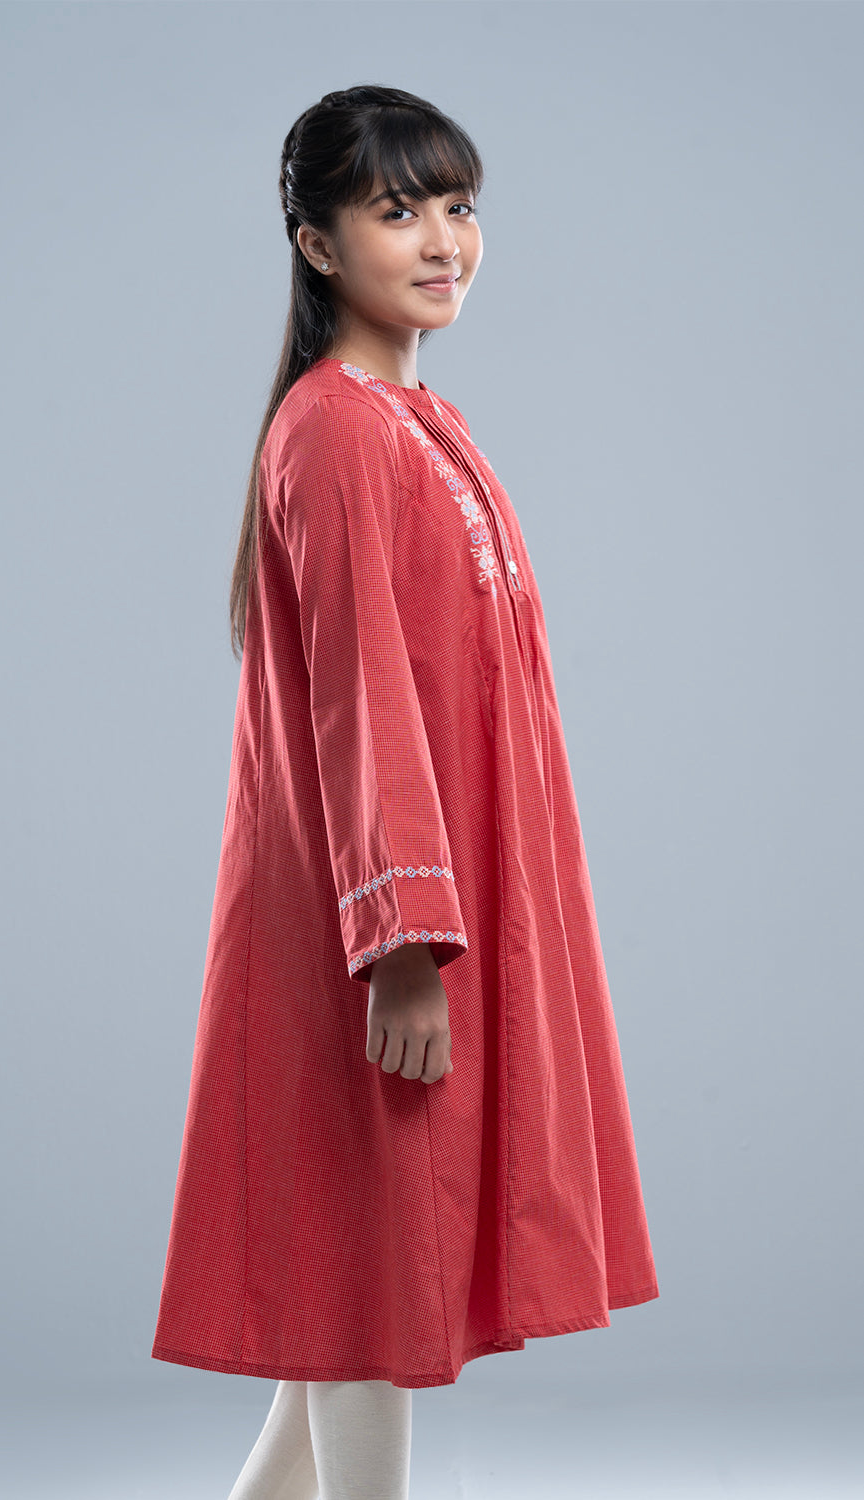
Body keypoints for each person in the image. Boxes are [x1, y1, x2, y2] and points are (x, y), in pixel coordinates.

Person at [150, 84, 660, 1500]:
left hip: (421, 911)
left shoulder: (420, 420)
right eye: (397, 211)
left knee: (351, 1268)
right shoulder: (334, 430)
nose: (443, 242)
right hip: (371, 930)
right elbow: (361, 704)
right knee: (367, 1277)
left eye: (458, 205)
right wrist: (404, 948)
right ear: (316, 244)